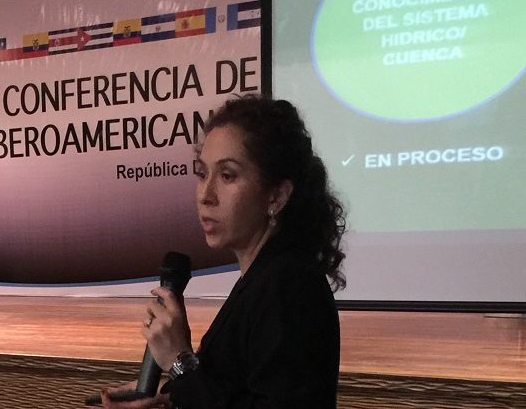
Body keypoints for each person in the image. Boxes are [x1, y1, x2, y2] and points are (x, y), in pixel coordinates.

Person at [97, 94, 347, 408]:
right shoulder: (263, 277)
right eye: (202, 173)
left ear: (276, 196)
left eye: (227, 176)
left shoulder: (289, 285)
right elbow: (235, 393)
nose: (206, 195)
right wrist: (171, 396)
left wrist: (178, 360)